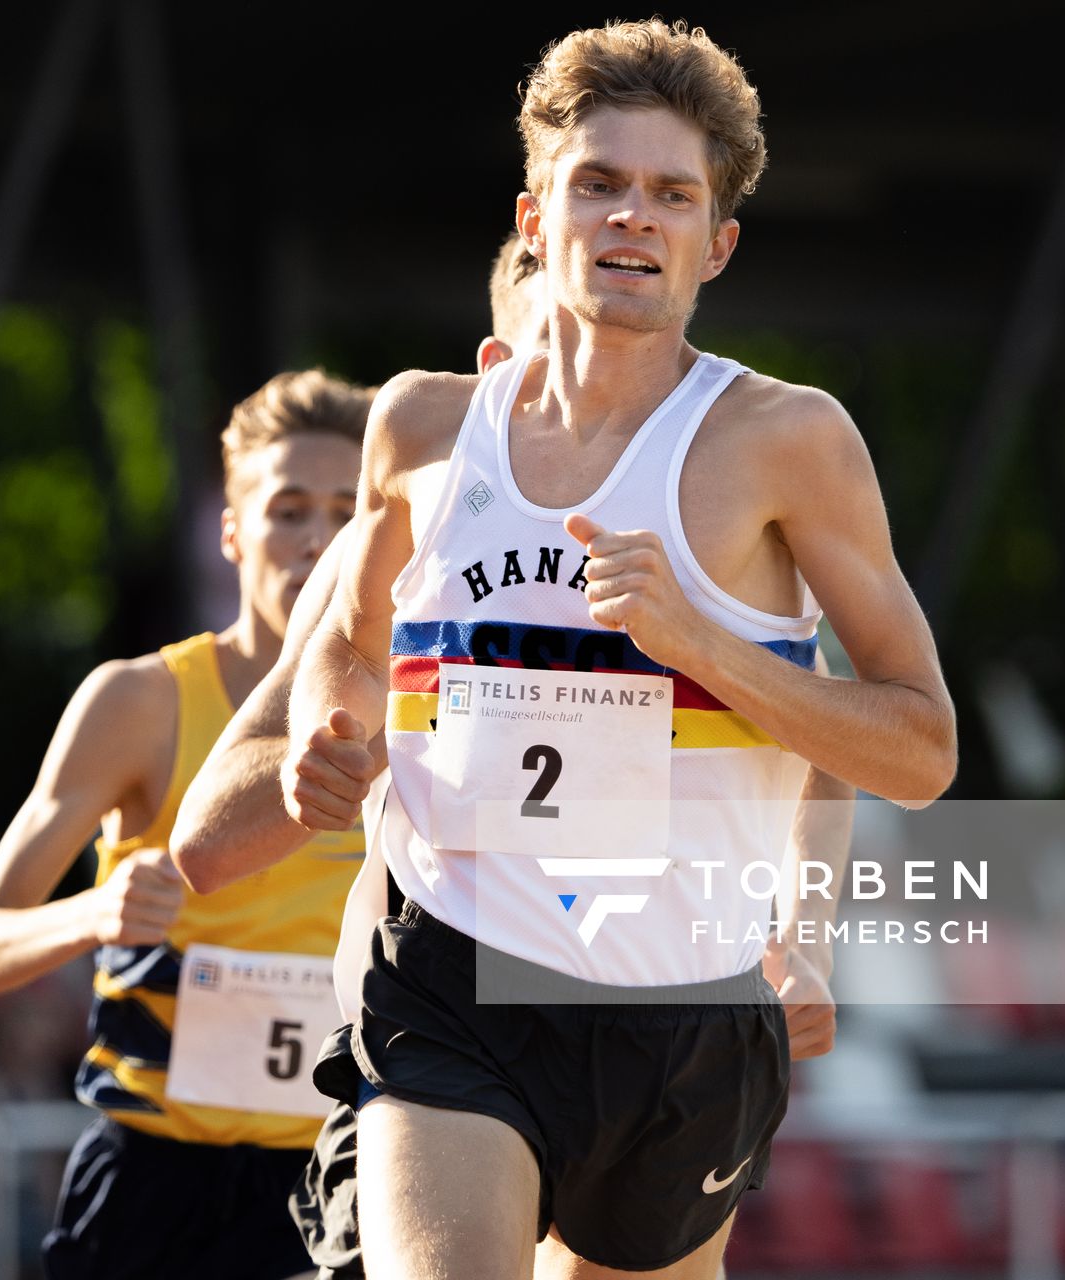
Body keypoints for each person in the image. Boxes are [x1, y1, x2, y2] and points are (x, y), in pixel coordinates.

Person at [280, 20, 955, 1280]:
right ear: (537, 216)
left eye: (671, 195)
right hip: (452, 978)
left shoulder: (786, 442)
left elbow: (919, 745)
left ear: (718, 242)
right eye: (599, 183)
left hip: (685, 1010)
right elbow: (347, 638)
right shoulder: (422, 426)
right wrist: (331, 724)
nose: (631, 218)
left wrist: (701, 642)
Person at [0, 369, 373, 1280]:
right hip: (156, 1184)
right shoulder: (140, 704)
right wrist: (94, 913)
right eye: (288, 510)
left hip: (345, 1181)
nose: (317, 540)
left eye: (344, 512)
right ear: (231, 532)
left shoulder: (424, 718)